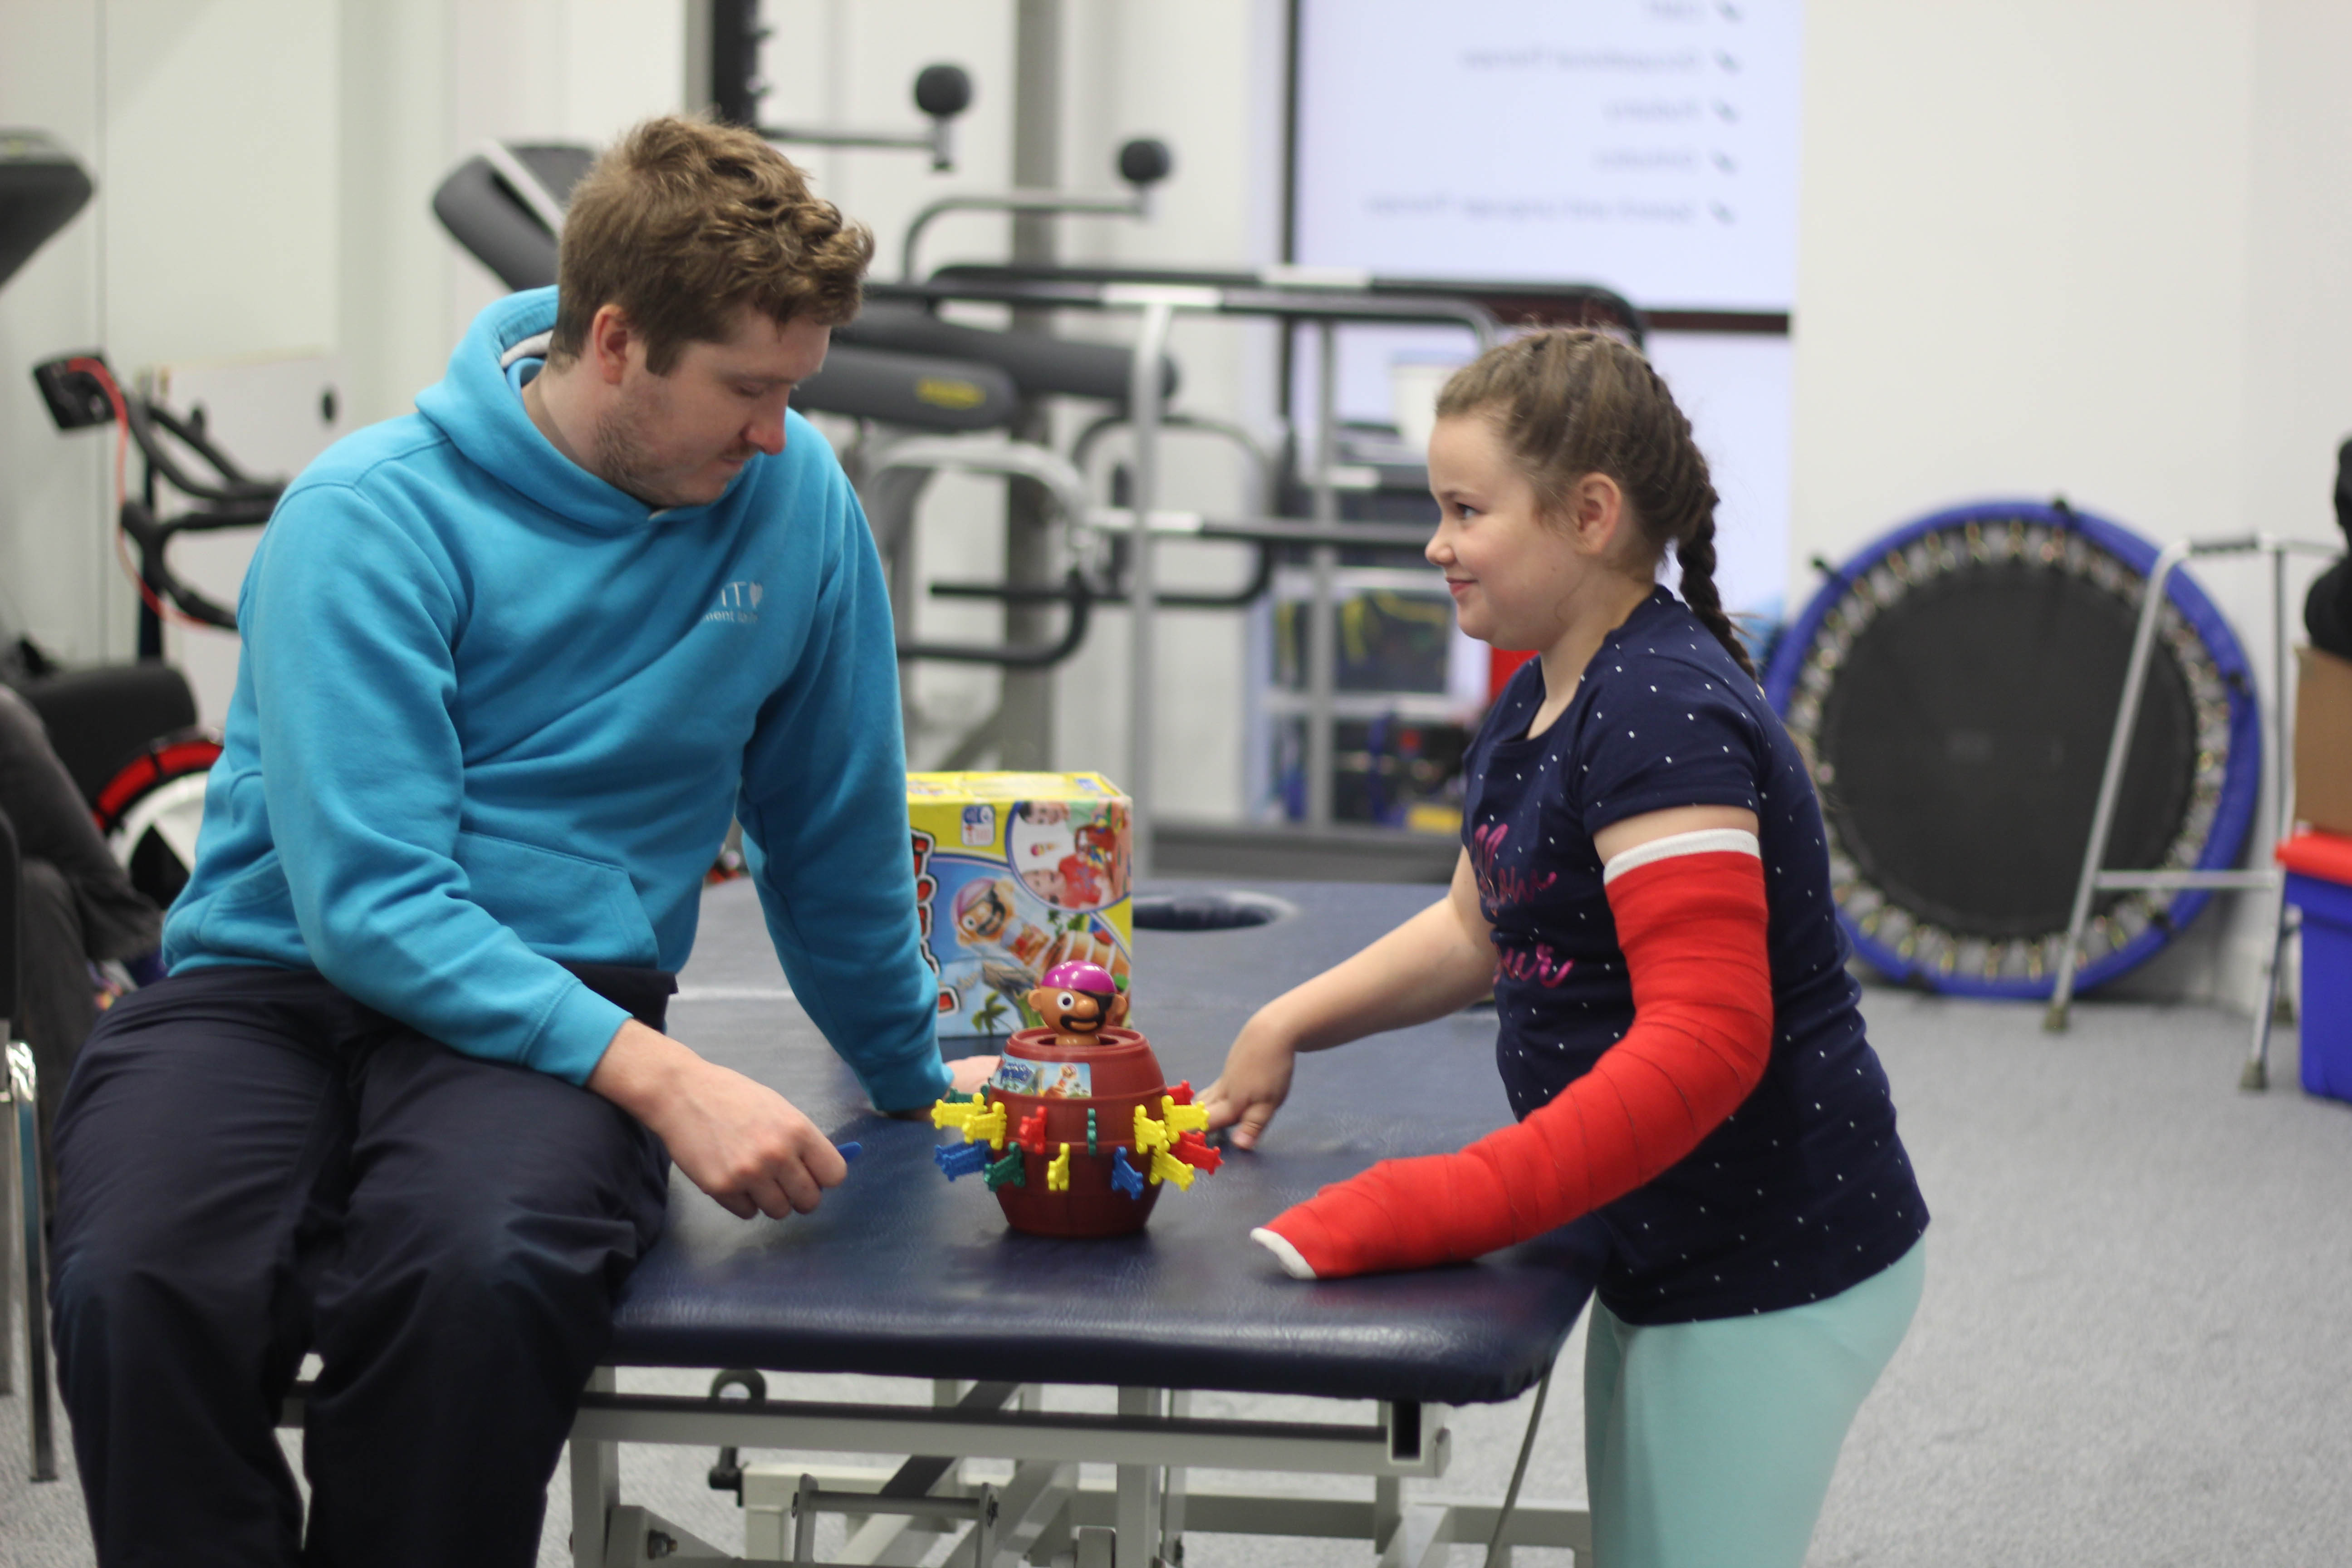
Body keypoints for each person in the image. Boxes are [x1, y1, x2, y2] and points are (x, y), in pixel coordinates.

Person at [47, 116, 992, 1567]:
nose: (774, 431)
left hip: (553, 999)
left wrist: (918, 1070)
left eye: (791, 392)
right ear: (615, 342)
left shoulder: (792, 501)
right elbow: (372, 908)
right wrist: (676, 1084)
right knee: (138, 1283)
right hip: (273, 987)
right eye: (746, 388)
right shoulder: (368, 518)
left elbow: (831, 828)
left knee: (477, 1275)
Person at [1202, 329, 1929, 1568]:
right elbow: (1470, 929)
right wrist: (1286, 1026)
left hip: (1773, 1253)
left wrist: (1444, 1202)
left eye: (1465, 510)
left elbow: (1707, 1043)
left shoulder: (1663, 717)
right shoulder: (1545, 688)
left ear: (1589, 513)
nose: (1436, 545)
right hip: (1667, 1232)